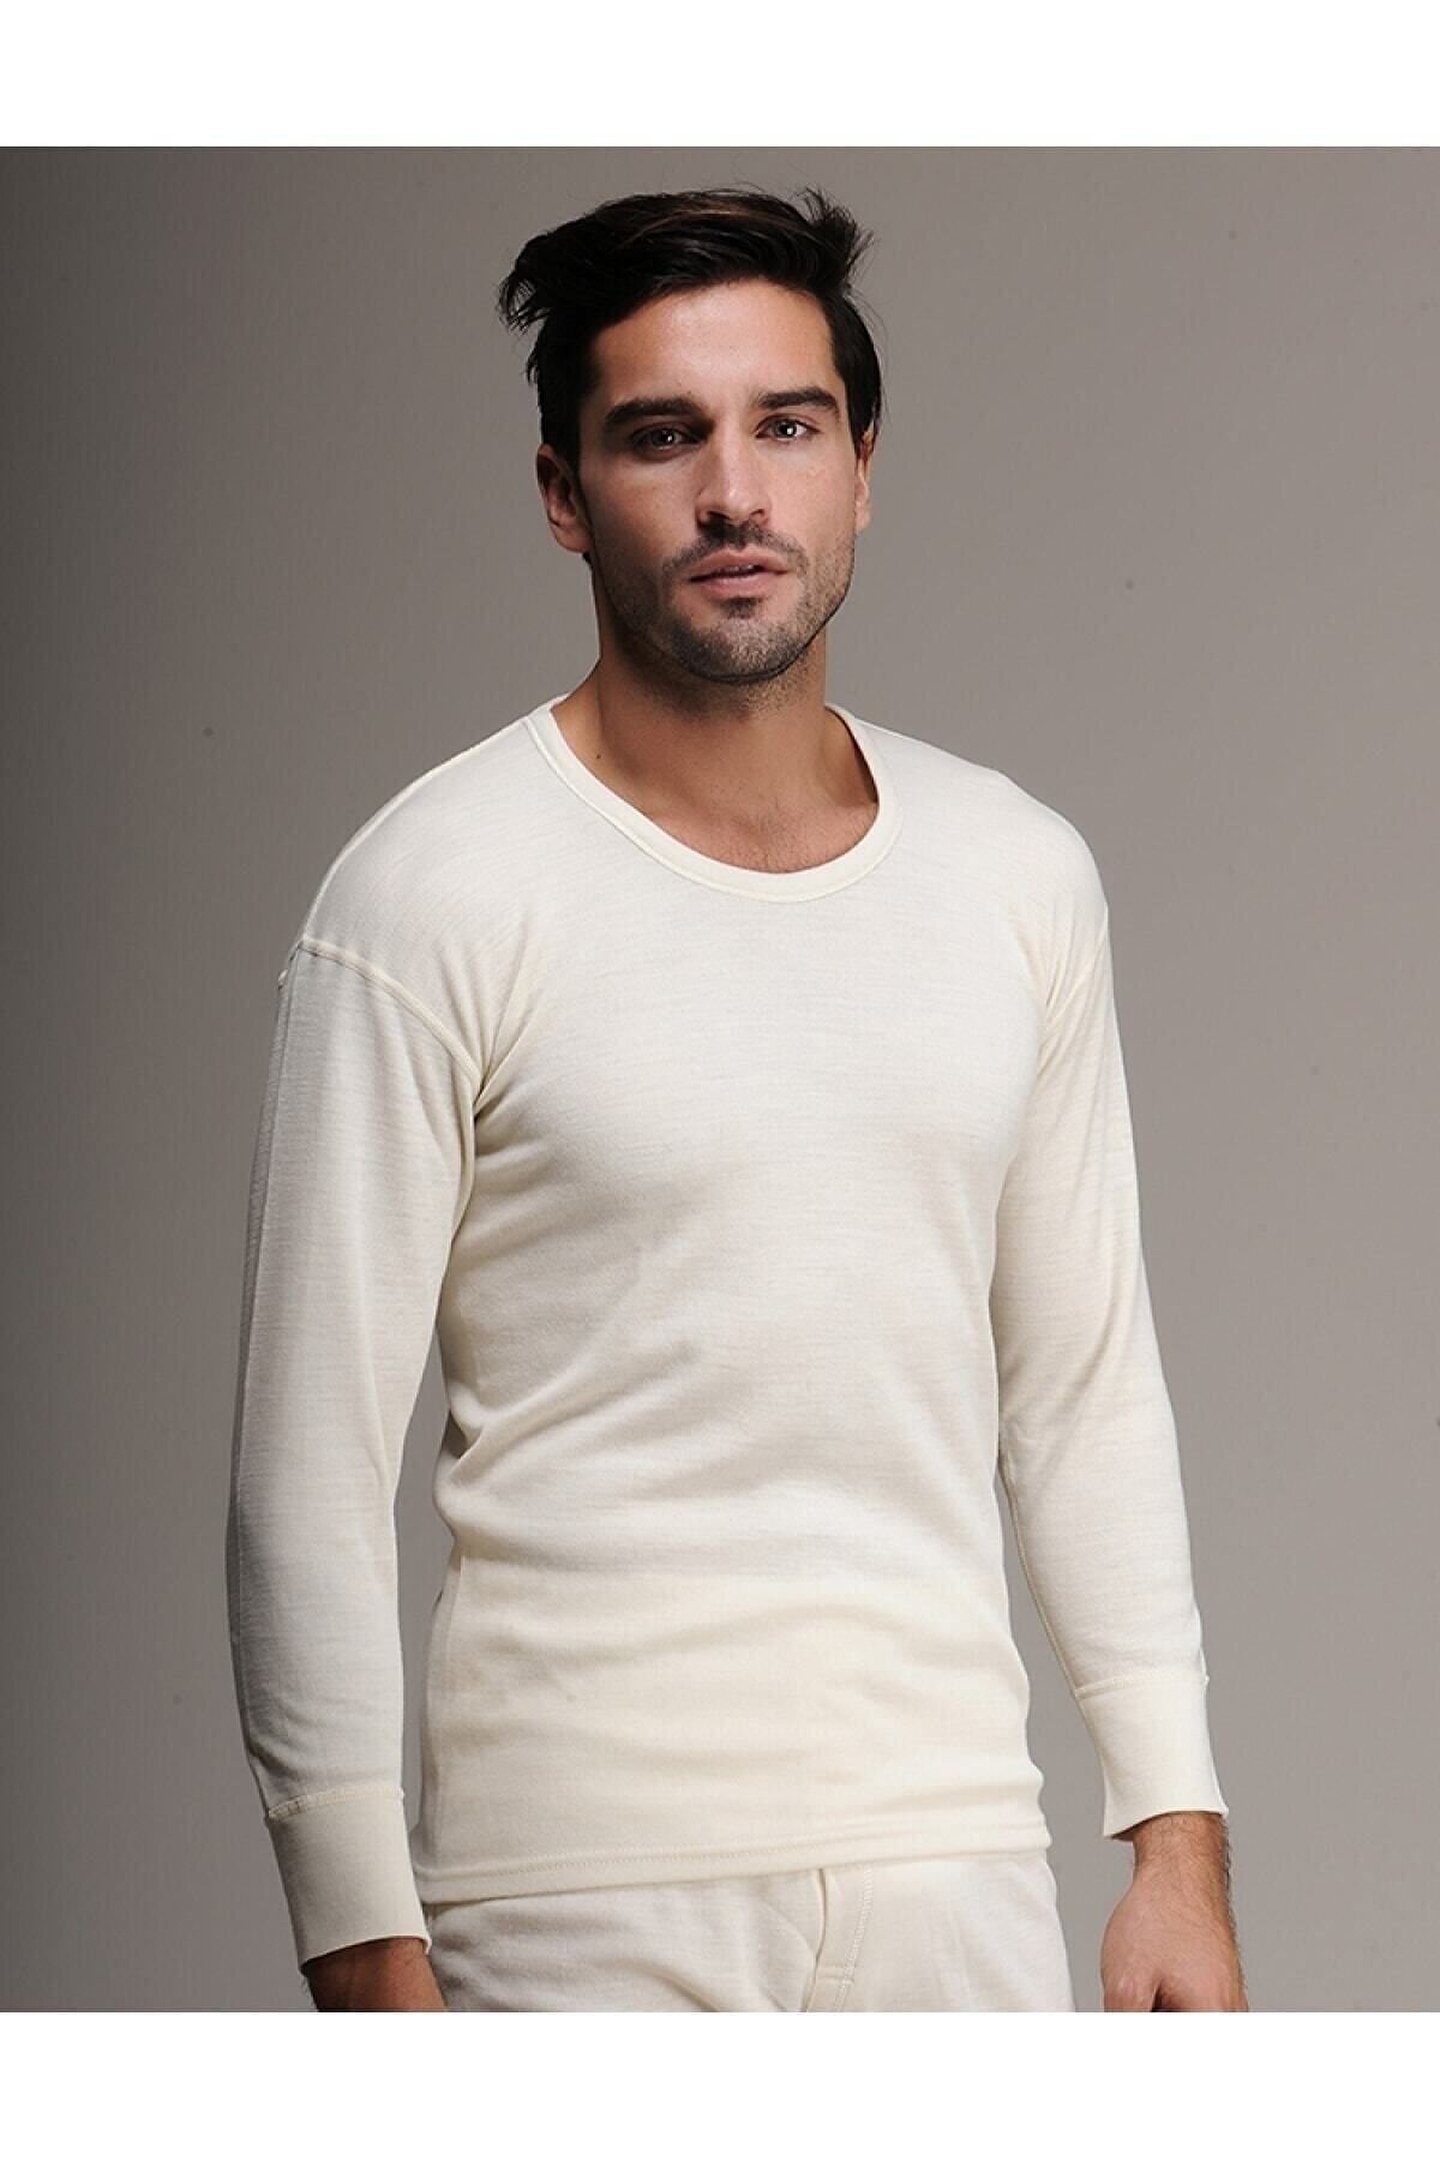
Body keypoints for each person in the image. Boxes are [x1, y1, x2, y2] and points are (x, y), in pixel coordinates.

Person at [224, 184, 1248, 2013]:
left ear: (862, 469)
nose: (732, 494)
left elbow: (1084, 1390)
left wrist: (1176, 1836)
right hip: (575, 1895)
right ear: (564, 495)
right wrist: (364, 1953)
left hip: (960, 1877)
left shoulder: (1016, 875)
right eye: (661, 437)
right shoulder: (428, 896)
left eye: (786, 426)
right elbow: (307, 1474)